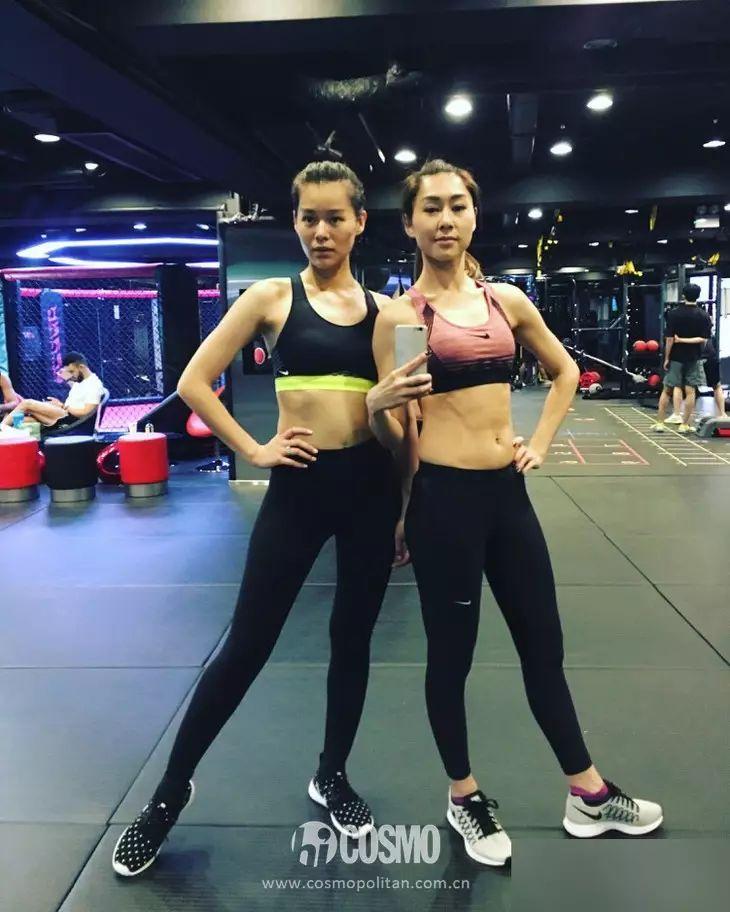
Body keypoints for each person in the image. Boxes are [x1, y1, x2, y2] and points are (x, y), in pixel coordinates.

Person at [112, 160, 427, 877]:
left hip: (371, 492)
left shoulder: (394, 316)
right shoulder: (270, 297)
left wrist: (406, 509)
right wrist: (254, 449)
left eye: (335, 218)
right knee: (247, 645)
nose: (322, 231)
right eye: (310, 218)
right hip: (299, 488)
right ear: (295, 222)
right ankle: (168, 794)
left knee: (352, 641)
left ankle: (332, 774)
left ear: (360, 222)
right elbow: (193, 382)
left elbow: (405, 431)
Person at [366, 159, 663, 867]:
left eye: (457, 205)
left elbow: (566, 371)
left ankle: (587, 793)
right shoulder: (402, 318)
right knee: (452, 656)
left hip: (507, 496)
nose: (445, 219)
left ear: (474, 215)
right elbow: (401, 434)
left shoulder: (506, 301)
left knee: (543, 645)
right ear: (409, 223)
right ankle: (463, 795)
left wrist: (541, 442)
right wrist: (377, 417)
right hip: (443, 501)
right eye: (431, 208)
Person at [652, 284, 712, 433]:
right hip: (694, 357)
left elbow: (670, 339)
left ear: (683, 295)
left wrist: (667, 357)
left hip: (676, 357)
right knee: (691, 391)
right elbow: (703, 339)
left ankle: (660, 423)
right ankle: (684, 425)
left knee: (667, 390)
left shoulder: (674, 314)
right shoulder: (704, 315)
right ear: (698, 296)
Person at [0, 352, 103, 431]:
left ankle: (1, 430)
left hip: (69, 418)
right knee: (19, 420)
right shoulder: (81, 381)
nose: (71, 375)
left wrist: (64, 406)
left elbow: (85, 413)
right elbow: (76, 395)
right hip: (63, 414)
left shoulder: (94, 384)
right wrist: (59, 404)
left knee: (27, 403)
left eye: (72, 371)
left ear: (81, 367)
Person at [672, 332, 727, 420]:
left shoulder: (694, 328)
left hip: (701, 358)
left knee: (690, 387)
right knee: (715, 386)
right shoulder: (703, 326)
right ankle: (678, 415)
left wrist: (680, 340)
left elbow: (702, 339)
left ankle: (723, 414)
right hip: (703, 356)